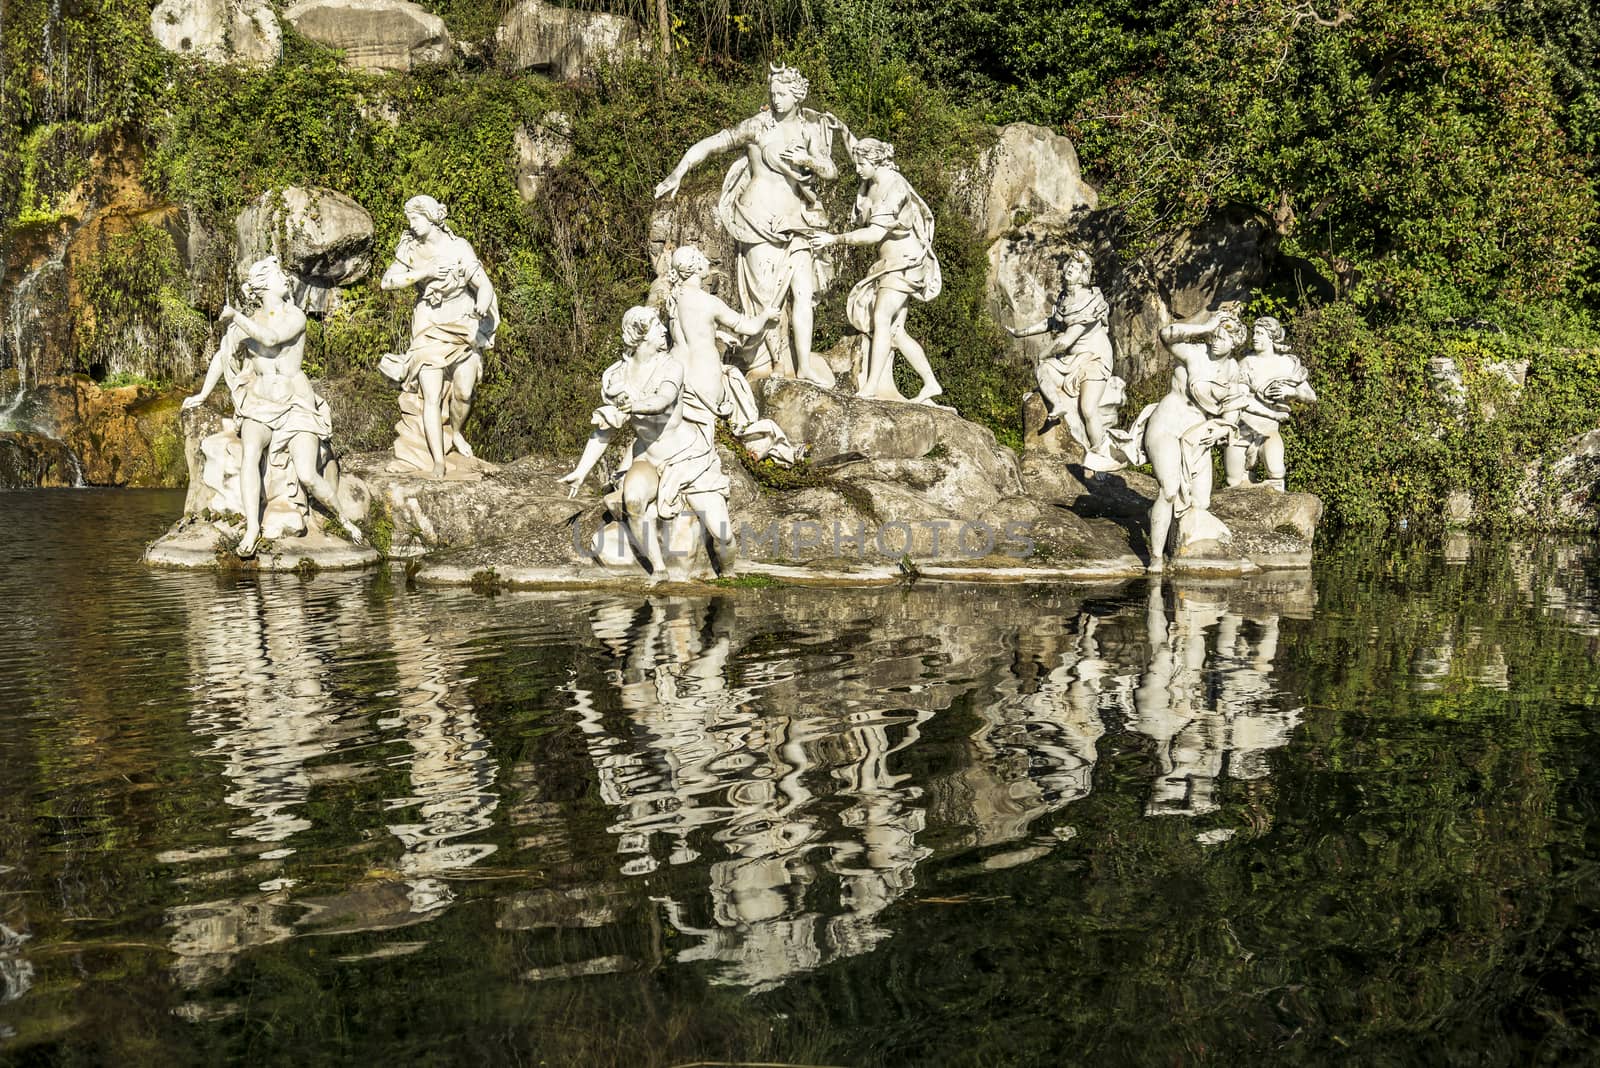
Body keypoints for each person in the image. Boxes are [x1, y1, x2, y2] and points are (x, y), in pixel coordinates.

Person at [655, 65, 846, 385]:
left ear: (798, 95)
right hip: (758, 222)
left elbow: (831, 170)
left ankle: (804, 366)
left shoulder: (808, 129)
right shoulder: (757, 126)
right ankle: (777, 364)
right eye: (773, 93)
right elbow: (712, 143)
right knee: (768, 300)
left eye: (783, 94)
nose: (776, 99)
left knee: (802, 293)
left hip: (796, 221)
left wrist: (808, 160)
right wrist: (679, 171)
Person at [183, 256, 365, 556]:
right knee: (250, 452)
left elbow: (271, 337)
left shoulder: (295, 316)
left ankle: (342, 518)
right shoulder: (250, 320)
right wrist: (203, 394)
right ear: (264, 283)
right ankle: (253, 526)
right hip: (259, 403)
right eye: (279, 275)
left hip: (295, 403)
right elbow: (222, 355)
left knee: (307, 473)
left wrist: (236, 317)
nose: (286, 279)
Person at [560, 307, 735, 580]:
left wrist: (635, 404)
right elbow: (605, 429)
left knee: (722, 534)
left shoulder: (670, 366)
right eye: (657, 327)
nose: (664, 330)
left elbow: (662, 399)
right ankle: (659, 569)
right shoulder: (617, 376)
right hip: (648, 458)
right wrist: (581, 471)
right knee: (633, 498)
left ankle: (728, 573)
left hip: (689, 457)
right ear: (640, 334)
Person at [810, 138, 943, 404]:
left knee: (881, 317)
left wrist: (834, 239)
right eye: (857, 162)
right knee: (895, 330)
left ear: (877, 161)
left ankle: (871, 385)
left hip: (905, 262)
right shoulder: (869, 185)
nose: (858, 168)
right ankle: (931, 383)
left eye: (862, 163)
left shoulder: (895, 186)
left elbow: (875, 233)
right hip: (889, 263)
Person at [379, 195, 498, 479]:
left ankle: (455, 433)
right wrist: (424, 271)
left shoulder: (457, 247)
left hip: (461, 321)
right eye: (409, 219)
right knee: (430, 395)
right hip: (429, 323)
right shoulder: (409, 247)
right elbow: (387, 281)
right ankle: (438, 461)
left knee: (464, 391)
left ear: (431, 217)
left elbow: (484, 285)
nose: (411, 224)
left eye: (416, 219)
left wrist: (481, 305)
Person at [664, 245, 803, 466]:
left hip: (677, 375)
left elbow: (688, 331)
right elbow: (747, 327)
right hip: (705, 377)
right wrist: (766, 314)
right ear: (697, 266)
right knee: (735, 392)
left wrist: (716, 333)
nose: (707, 261)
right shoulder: (709, 302)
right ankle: (756, 444)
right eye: (703, 257)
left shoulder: (674, 298)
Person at [1006, 249, 1121, 462]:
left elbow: (1066, 339)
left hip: (1094, 359)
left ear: (1083, 275)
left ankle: (1101, 456)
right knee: (1043, 370)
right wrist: (1021, 332)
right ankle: (1057, 404)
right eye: (1068, 266)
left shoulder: (1089, 302)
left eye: (1075, 268)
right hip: (1071, 361)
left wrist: (1044, 352)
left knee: (1087, 409)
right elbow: (1053, 323)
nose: (1069, 270)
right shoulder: (1065, 298)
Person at [1224, 316, 1316, 491]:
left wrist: (1292, 392)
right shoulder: (1245, 363)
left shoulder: (1287, 364)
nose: (1255, 338)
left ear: (1272, 337)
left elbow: (1311, 396)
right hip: (1243, 430)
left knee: (1276, 472)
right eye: (1254, 333)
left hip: (1268, 430)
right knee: (1233, 482)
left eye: (1260, 333)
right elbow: (1242, 399)